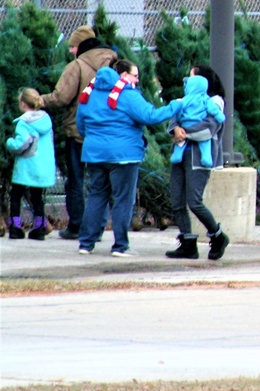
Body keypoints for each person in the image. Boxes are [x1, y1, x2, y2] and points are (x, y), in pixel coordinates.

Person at [76, 60, 179, 256]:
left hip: (95, 153)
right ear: (122, 76)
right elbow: (150, 116)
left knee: (97, 196)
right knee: (123, 199)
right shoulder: (127, 95)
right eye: (135, 75)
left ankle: (86, 244)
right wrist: (175, 106)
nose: (138, 80)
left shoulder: (89, 94)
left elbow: (81, 125)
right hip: (124, 155)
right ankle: (120, 245)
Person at [40, 25, 117, 239]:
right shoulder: (116, 62)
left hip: (79, 130)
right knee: (100, 181)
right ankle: (98, 227)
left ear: (80, 46)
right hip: (108, 132)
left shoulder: (78, 66)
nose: (71, 51)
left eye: (73, 46)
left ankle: (77, 226)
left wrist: (39, 100)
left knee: (76, 179)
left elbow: (61, 97)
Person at [165, 65, 231, 260]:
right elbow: (174, 119)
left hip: (199, 158)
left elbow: (209, 128)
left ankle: (218, 236)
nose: (186, 80)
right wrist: (175, 129)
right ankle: (187, 243)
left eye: (191, 77)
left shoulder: (214, 103)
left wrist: (182, 131)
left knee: (194, 201)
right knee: (177, 200)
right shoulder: (185, 100)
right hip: (180, 152)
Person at [5, 88, 57, 240]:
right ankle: (39, 227)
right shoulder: (46, 120)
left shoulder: (23, 123)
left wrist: (10, 142)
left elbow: (22, 144)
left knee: (15, 195)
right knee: (37, 196)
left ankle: (15, 227)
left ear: (22, 104)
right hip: (42, 166)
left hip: (26, 166)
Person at [169, 74, 226, 167]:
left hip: (185, 126)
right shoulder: (205, 99)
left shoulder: (185, 99)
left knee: (181, 143)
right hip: (193, 130)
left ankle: (177, 154)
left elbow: (178, 111)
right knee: (205, 143)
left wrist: (180, 128)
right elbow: (213, 110)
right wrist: (220, 116)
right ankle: (206, 157)